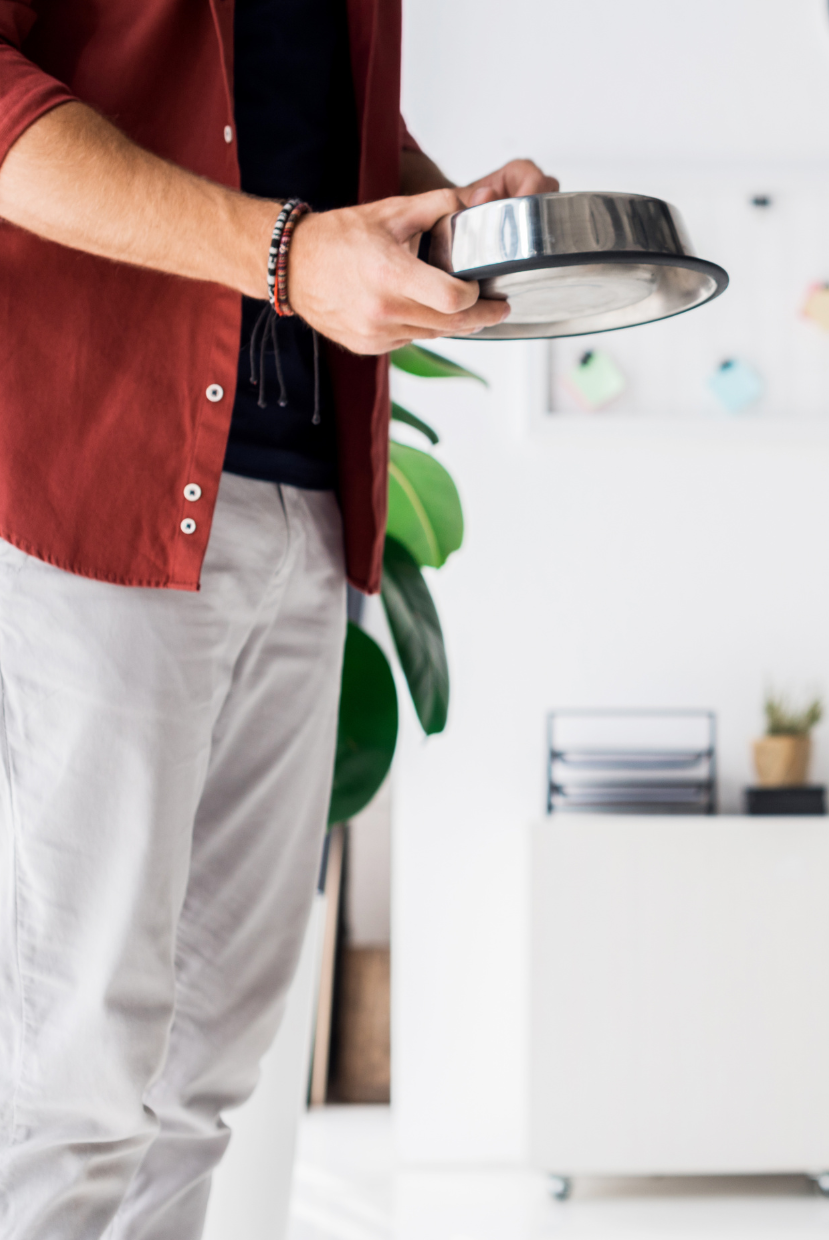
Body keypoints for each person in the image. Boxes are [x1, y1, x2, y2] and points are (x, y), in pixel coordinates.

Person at [0, 3, 555, 1235]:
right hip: (105, 490)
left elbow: (311, 125)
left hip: (306, 498)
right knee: (77, 1077)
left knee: (204, 1078)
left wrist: (451, 217)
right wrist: (289, 257)